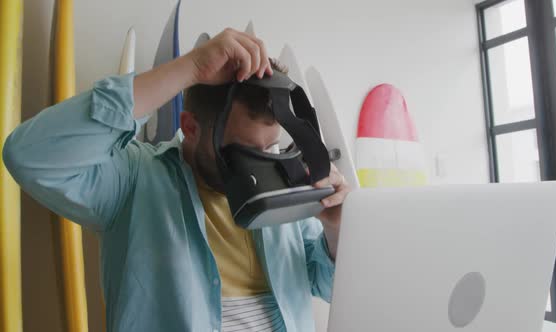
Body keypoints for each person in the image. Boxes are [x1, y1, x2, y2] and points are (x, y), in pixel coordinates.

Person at [3, 28, 350, 332]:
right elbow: (30, 156)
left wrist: (336, 231)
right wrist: (191, 68)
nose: (262, 167)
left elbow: (325, 286)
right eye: (245, 152)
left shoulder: (280, 180)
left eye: (270, 148)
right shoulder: (133, 180)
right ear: (190, 127)